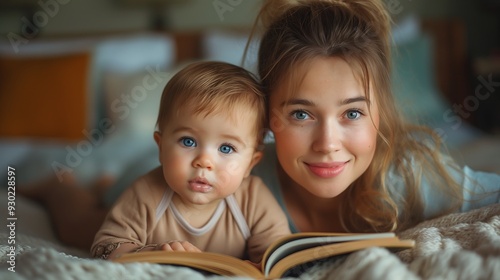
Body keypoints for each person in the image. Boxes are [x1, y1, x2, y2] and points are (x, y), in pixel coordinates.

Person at [18, 0, 500, 254]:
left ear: (380, 115)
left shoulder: (417, 174)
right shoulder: (230, 183)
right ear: (267, 121)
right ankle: (60, 183)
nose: (328, 144)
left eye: (352, 113)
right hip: (163, 176)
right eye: (301, 114)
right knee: (86, 222)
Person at [88, 61, 290, 262]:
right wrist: (148, 254)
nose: (204, 161)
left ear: (250, 164)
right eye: (188, 141)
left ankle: (104, 184)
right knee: (80, 223)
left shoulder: (254, 199)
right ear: (161, 147)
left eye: (226, 148)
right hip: (127, 185)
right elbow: (104, 247)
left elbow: (277, 253)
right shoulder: (145, 193)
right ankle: (69, 185)